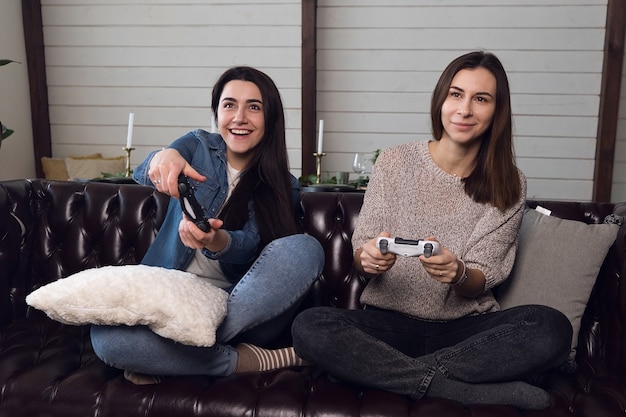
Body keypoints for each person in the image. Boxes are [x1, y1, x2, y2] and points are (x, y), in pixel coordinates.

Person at [291, 51, 572, 410]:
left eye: (480, 99)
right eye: (456, 94)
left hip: (465, 332)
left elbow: (482, 278)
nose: (464, 109)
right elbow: (362, 256)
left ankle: (378, 373)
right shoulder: (394, 161)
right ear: (441, 99)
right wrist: (369, 259)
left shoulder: (510, 183)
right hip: (388, 325)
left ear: (497, 111)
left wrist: (458, 273)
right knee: (309, 326)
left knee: (552, 328)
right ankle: (456, 389)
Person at [91, 66, 324, 384]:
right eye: (229, 105)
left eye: (253, 107)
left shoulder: (284, 184)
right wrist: (164, 158)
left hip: (239, 308)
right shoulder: (197, 146)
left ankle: (171, 352)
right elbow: (149, 170)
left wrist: (215, 241)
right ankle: (244, 360)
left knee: (304, 248)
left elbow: (250, 243)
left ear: (270, 118)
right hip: (174, 297)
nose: (239, 117)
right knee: (107, 340)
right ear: (217, 112)